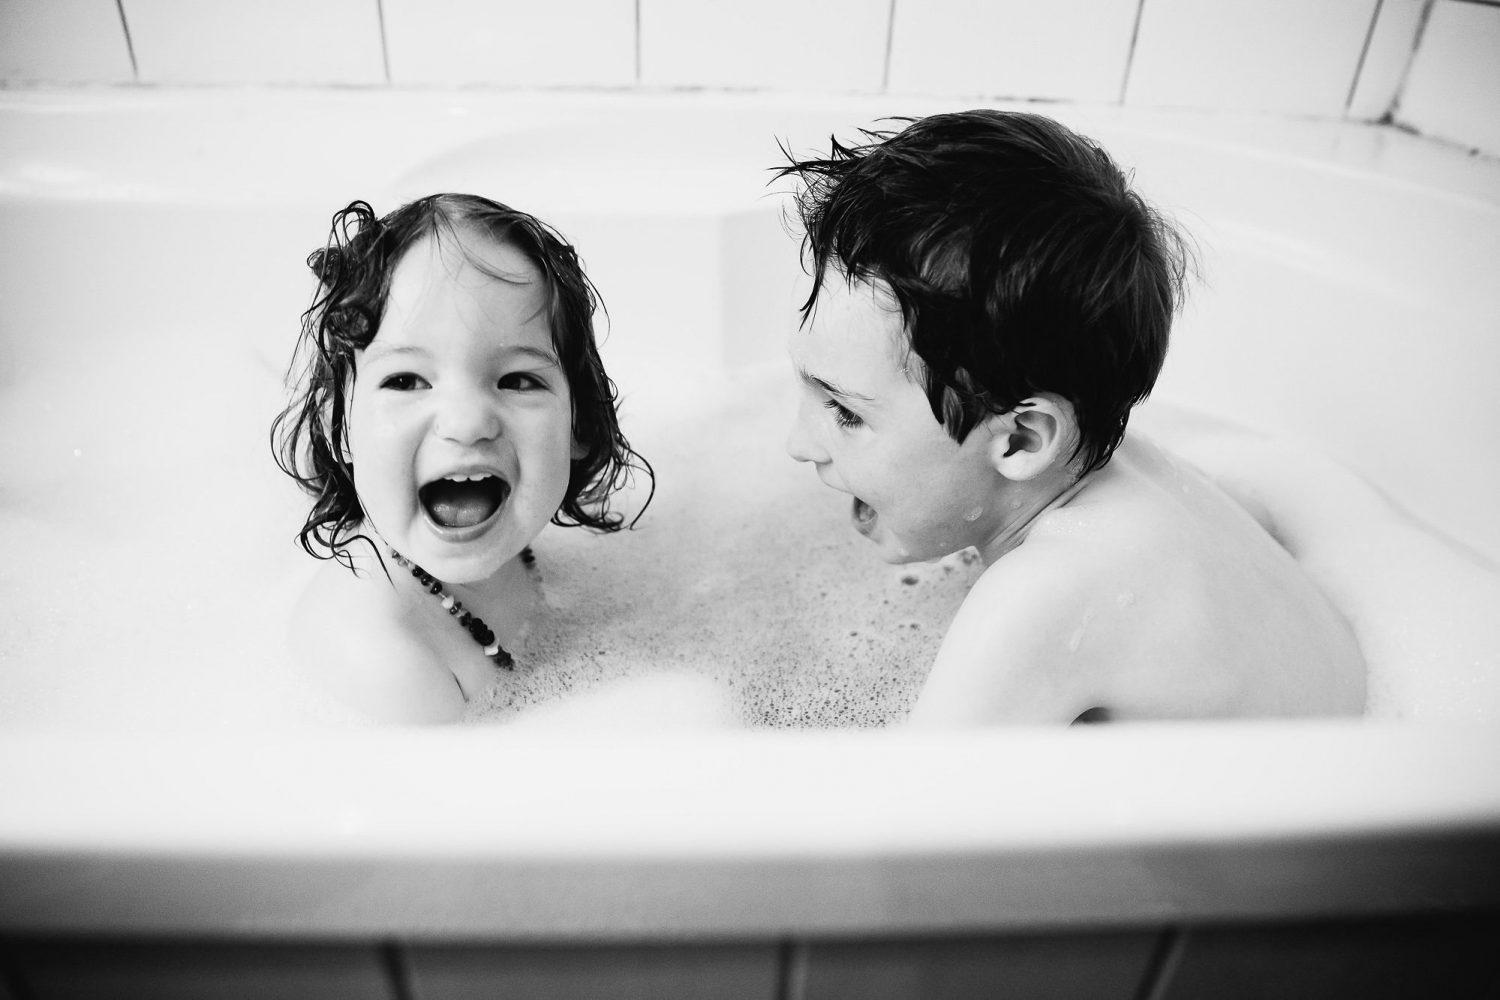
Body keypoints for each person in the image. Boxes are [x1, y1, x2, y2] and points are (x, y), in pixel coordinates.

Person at [777, 110, 1366, 724]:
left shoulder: (1039, 599)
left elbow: (914, 810)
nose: (797, 443)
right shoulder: (1144, 472)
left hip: (1327, 815)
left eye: (844, 411)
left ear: (1023, 438)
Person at [272, 194, 650, 723]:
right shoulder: (386, 660)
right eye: (405, 380)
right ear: (342, 429)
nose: (467, 421)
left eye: (518, 380)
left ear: (578, 426)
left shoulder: (515, 556)